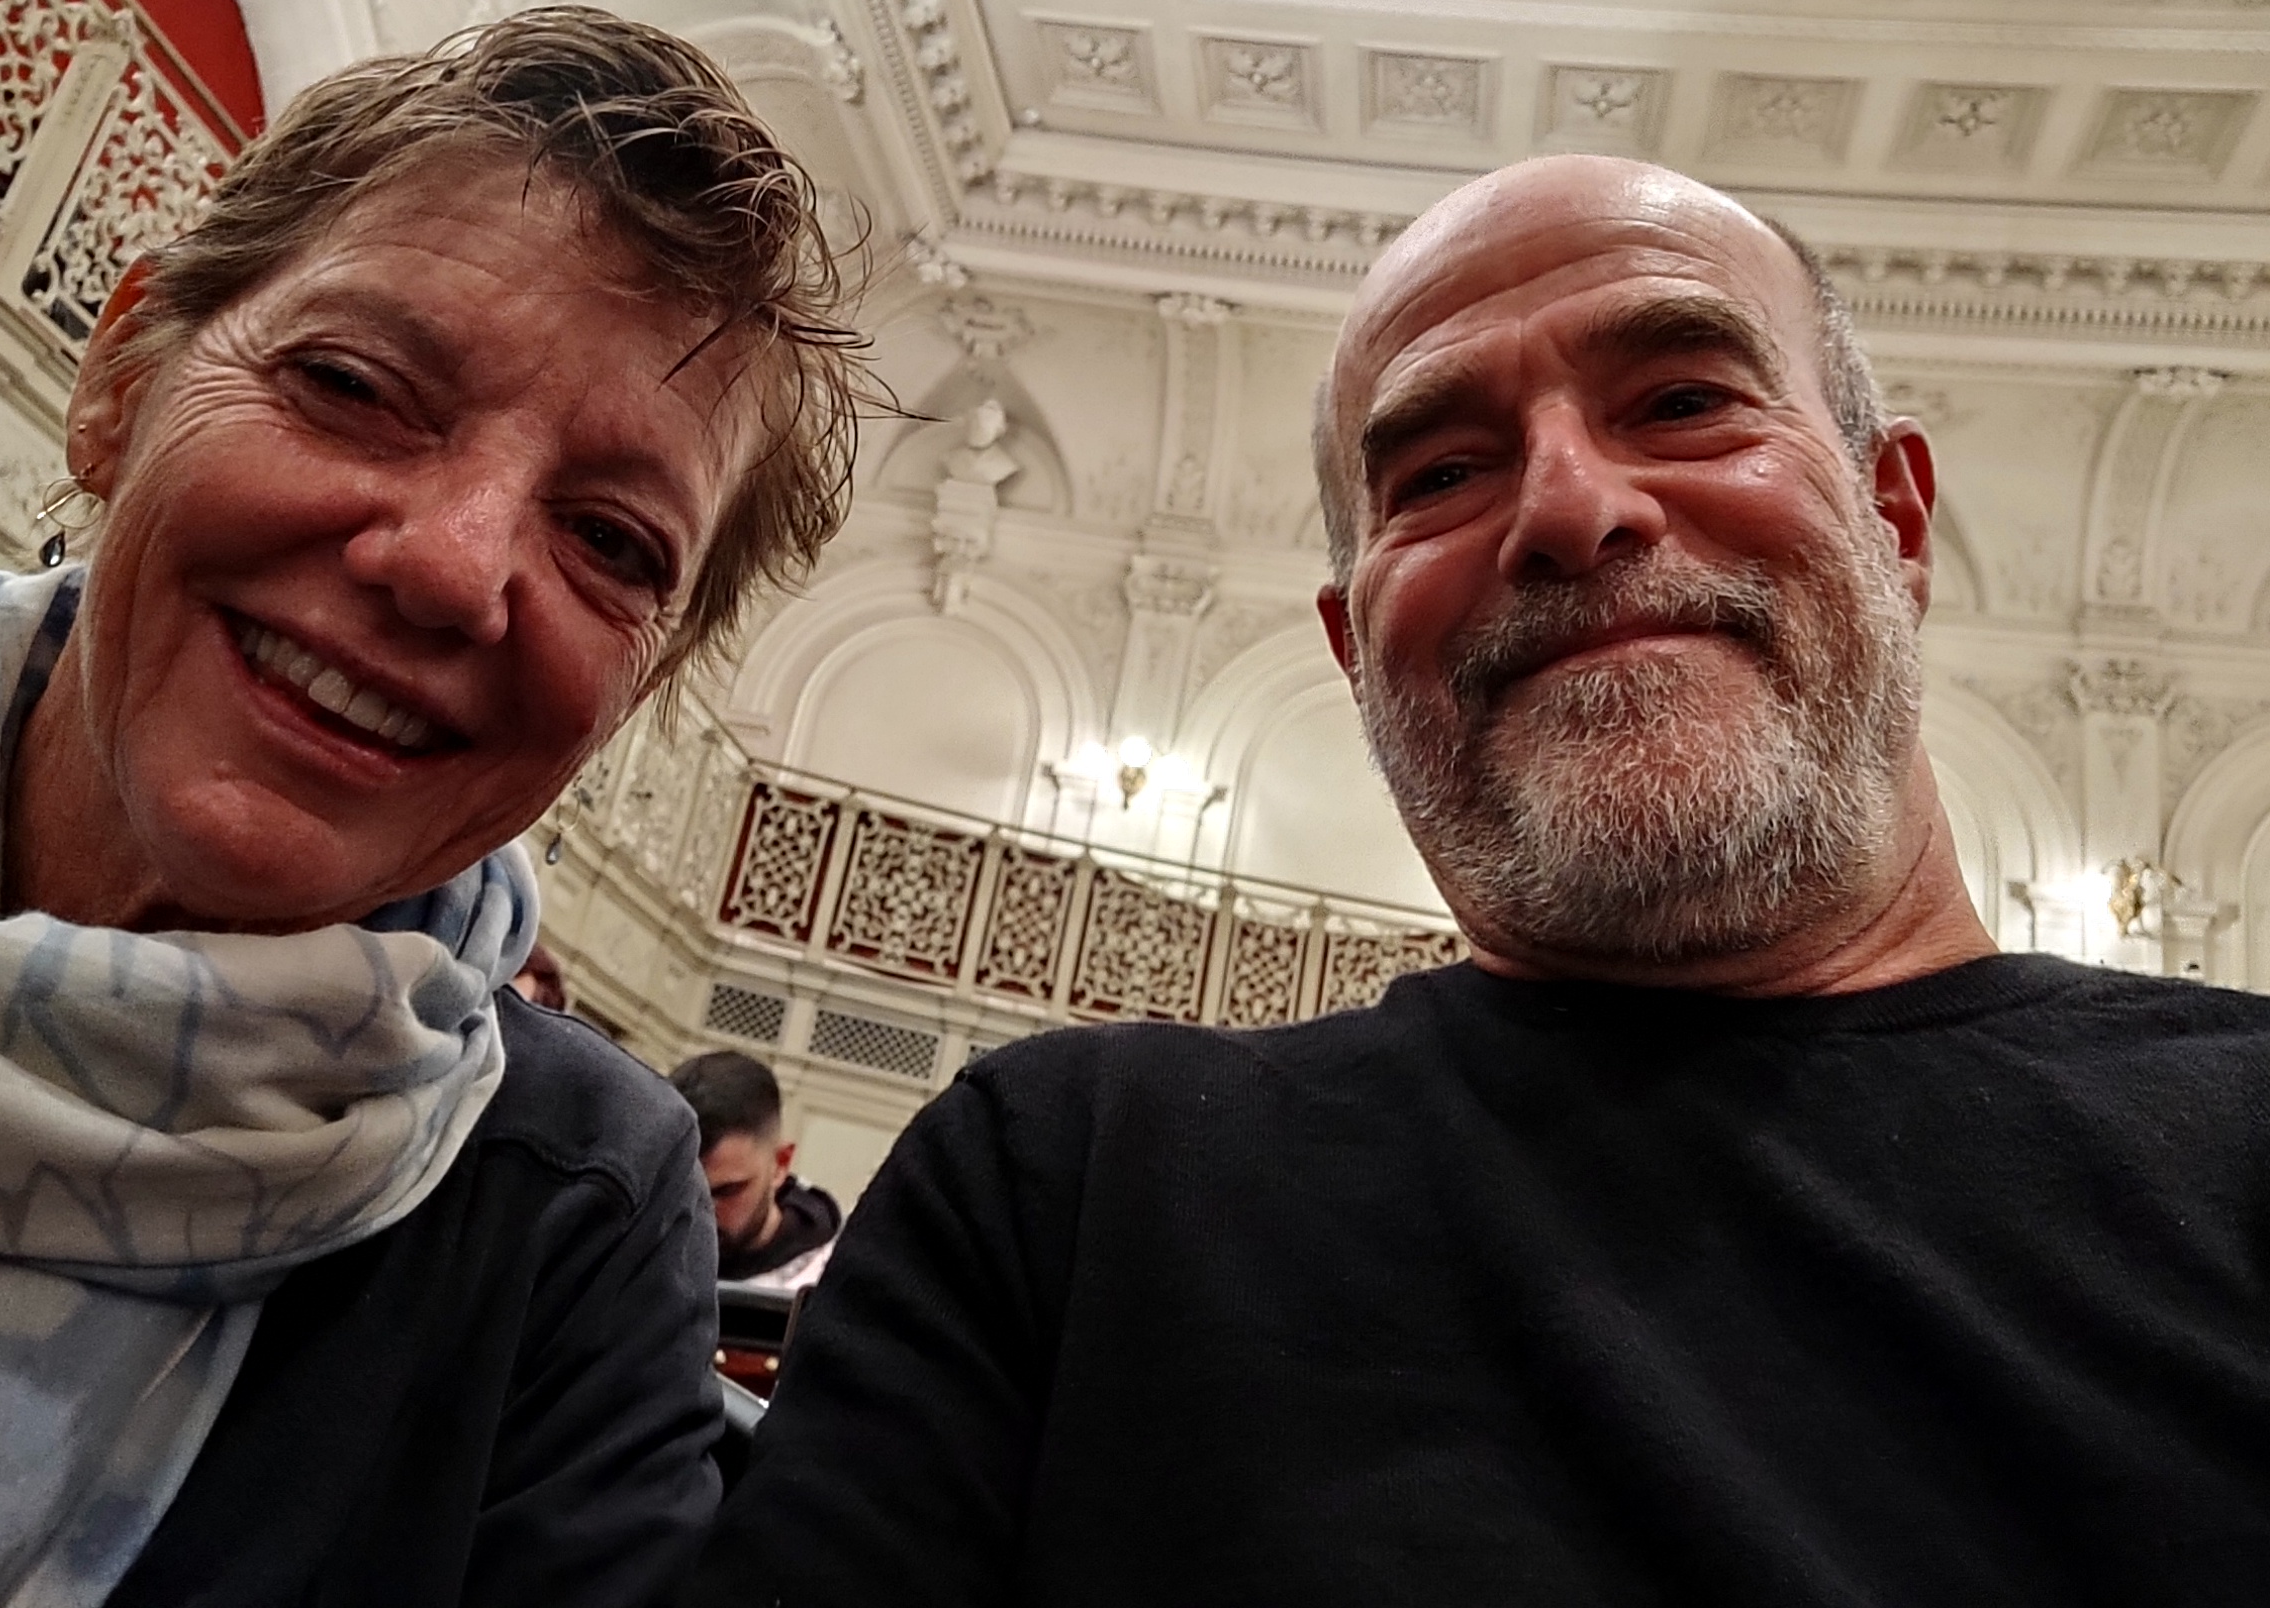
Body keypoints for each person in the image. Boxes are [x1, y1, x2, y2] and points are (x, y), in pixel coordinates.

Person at [721, 156, 2270, 1605]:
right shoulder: (1065, 1191)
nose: (1571, 510)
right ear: (1354, 648)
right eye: (1444, 470)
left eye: (1683, 401)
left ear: (1897, 518)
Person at [0, 6, 871, 1607]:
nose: (455, 568)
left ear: (637, 690)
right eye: (351, 385)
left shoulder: (575, 1207)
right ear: (122, 382)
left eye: (611, 542)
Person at [672, 1049, 843, 1290]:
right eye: (680, 1188)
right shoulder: (633, 1252)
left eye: (726, 1191)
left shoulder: (835, 1285)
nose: (699, 1212)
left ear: (780, 1164)